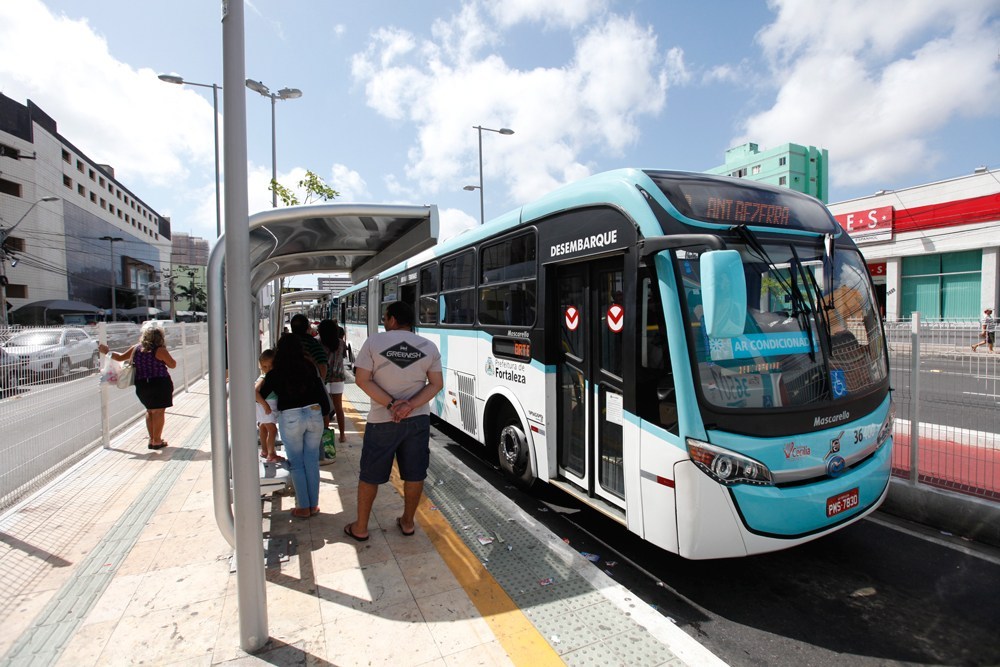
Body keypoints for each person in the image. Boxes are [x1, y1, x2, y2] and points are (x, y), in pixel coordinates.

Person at [344, 301, 443, 541]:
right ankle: (408, 522)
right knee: (415, 473)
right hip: (417, 420)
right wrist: (409, 405)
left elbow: (362, 380)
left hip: (381, 421)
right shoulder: (428, 347)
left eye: (386, 317)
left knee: (370, 474)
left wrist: (391, 404)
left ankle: (361, 527)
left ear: (392, 319)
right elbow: (436, 384)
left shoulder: (373, 342)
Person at [257, 333, 328, 518]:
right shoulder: (308, 366)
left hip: (290, 417)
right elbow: (320, 390)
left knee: (296, 462)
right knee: (311, 461)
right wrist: (326, 412)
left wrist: (266, 406)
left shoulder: (275, 372)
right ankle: (313, 505)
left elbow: (260, 393)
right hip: (314, 412)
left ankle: (303, 507)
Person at [99, 323, 177, 449]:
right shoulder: (159, 350)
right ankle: (157, 441)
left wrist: (106, 351)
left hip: (142, 385)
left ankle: (152, 439)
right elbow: (173, 364)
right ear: (160, 337)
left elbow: (119, 357)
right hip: (160, 383)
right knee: (159, 411)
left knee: (150, 410)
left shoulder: (136, 349)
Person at [318, 319, 348, 443]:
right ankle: (342, 435)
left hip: (323, 378)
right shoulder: (341, 343)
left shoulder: (318, 342)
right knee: (338, 407)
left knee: (324, 408)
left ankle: (325, 435)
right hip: (338, 378)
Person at [254, 349, 283, 462]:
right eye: (265, 367)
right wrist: (265, 405)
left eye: (271, 366)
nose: (268, 370)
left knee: (263, 427)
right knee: (273, 430)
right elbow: (254, 391)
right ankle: (271, 454)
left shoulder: (266, 376)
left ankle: (265, 450)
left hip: (263, 406)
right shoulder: (263, 378)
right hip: (266, 406)